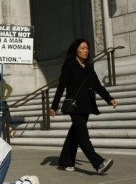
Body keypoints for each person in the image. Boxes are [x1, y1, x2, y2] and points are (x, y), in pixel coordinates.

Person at [50, 38, 118, 174]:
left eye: (87, 48)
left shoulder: (88, 67)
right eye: (83, 48)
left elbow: (97, 86)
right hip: (74, 107)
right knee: (83, 135)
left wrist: (109, 99)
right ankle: (98, 163)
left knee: (74, 134)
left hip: (87, 105)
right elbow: (61, 87)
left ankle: (65, 161)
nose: (86, 51)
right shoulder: (69, 66)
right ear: (76, 50)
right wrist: (54, 106)